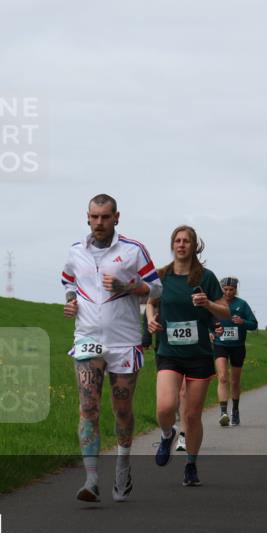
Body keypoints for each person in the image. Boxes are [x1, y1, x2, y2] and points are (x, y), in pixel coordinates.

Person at [63, 194, 162, 502]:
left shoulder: (134, 250)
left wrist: (130, 287)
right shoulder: (75, 251)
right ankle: (91, 480)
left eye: (105, 217)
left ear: (116, 217)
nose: (99, 223)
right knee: (88, 407)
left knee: (121, 409)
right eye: (94, 217)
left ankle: (122, 464)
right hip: (87, 338)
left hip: (124, 340)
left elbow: (156, 286)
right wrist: (70, 303)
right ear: (87, 217)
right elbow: (68, 282)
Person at [146, 225, 229, 487]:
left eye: (186, 241)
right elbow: (150, 302)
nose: (181, 245)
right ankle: (167, 434)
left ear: (194, 246)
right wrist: (150, 320)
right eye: (177, 241)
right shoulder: (161, 276)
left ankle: (191, 464)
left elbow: (224, 312)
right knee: (165, 407)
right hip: (169, 351)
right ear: (172, 245)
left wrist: (208, 304)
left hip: (199, 354)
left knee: (192, 415)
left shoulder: (206, 277)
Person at [212, 277, 258, 427]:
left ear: (235, 290)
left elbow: (254, 324)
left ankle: (236, 410)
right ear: (221, 289)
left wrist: (243, 322)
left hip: (238, 346)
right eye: (225, 289)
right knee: (223, 377)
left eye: (231, 289)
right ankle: (223, 412)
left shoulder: (242, 304)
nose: (228, 292)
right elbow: (206, 321)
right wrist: (211, 331)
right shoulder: (216, 303)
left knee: (235, 381)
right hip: (220, 344)